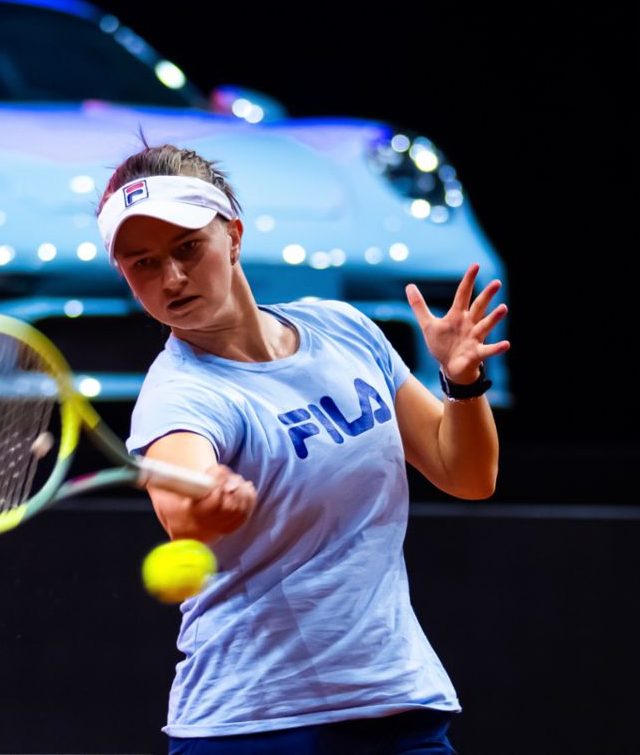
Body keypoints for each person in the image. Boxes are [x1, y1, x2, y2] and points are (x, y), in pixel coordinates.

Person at [97, 144, 508, 754]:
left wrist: (462, 383)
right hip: (258, 726)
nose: (172, 279)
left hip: (398, 705)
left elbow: (466, 473)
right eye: (143, 264)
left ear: (232, 236)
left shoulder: (344, 329)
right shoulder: (178, 395)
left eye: (188, 249)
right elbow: (181, 504)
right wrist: (208, 505)